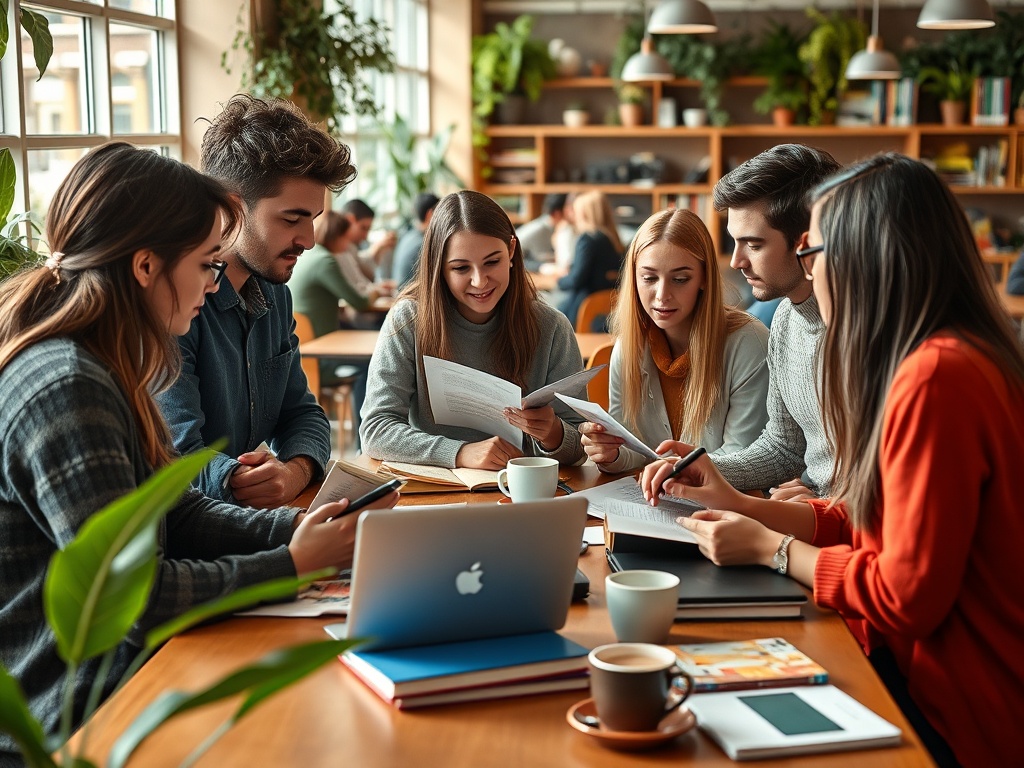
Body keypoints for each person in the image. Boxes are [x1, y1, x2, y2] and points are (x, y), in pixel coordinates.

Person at [0, 143, 398, 762]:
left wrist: (298, 529)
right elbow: (130, 600)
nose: (213, 285)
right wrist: (289, 566)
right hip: (74, 721)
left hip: (118, 686)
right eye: (208, 265)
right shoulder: (68, 387)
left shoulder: (103, 365)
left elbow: (175, 514)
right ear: (144, 268)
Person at [642, 153, 1024, 768]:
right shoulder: (942, 356)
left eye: (813, 254)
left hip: (956, 706)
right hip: (929, 673)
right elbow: (873, 522)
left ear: (864, 259)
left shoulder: (935, 377)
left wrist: (771, 548)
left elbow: (905, 596)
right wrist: (745, 507)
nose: (810, 276)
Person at [156, 95, 355, 508]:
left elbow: (302, 414)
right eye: (291, 218)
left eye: (313, 219)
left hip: (247, 521)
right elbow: (175, 458)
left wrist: (293, 470)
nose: (309, 240)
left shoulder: (276, 295)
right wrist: (242, 480)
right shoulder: (175, 308)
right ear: (233, 208)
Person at [360, 190, 587, 470]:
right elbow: (375, 430)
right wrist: (460, 452)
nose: (480, 281)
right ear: (439, 267)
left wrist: (554, 433)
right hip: (437, 492)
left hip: (521, 495)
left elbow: (580, 447)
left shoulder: (551, 327)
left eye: (492, 262)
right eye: (460, 268)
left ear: (512, 251)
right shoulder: (409, 318)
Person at [579, 209, 769, 473]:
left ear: (704, 278)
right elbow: (632, 449)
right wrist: (609, 453)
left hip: (724, 503)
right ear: (634, 278)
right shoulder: (629, 345)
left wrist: (675, 469)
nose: (662, 295)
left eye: (680, 279)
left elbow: (743, 457)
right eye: (649, 278)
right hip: (654, 500)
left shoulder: (748, 343)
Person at [709, 144, 841, 500]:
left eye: (753, 245)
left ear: (806, 243)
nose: (736, 261)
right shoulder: (785, 319)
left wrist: (823, 508)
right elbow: (784, 448)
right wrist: (705, 468)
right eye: (735, 242)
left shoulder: (866, 330)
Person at [556, 190, 623, 326]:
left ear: (584, 214)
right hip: (608, 310)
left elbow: (577, 279)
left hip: (584, 308)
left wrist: (558, 281)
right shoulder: (614, 240)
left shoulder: (587, 239)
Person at [340, 198, 397, 283]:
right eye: (363, 228)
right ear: (350, 220)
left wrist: (379, 248)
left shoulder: (350, 247)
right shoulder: (339, 251)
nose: (365, 236)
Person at [391, 192, 439, 289]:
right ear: (430, 215)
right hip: (412, 299)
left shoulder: (408, 236)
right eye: (440, 214)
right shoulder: (423, 244)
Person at [516, 192, 567, 271]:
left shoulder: (559, 228)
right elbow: (516, 261)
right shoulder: (537, 230)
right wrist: (541, 266)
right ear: (557, 213)